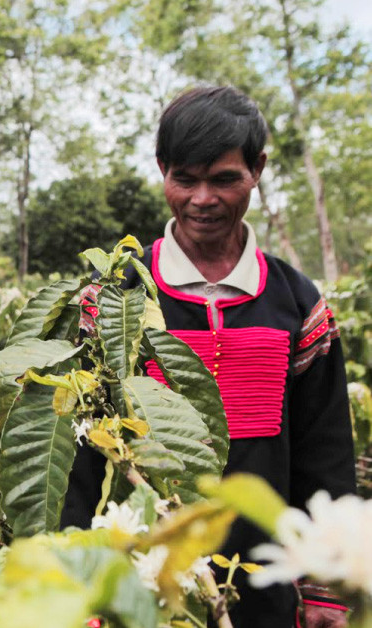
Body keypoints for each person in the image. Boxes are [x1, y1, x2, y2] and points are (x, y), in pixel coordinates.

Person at [61, 86, 356, 627]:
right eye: (185, 180)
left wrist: (325, 586)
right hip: (140, 580)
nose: (203, 199)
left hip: (267, 579)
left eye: (223, 179)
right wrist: (76, 582)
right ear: (162, 171)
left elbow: (325, 451)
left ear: (258, 170)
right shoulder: (115, 298)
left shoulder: (298, 303)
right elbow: (77, 454)